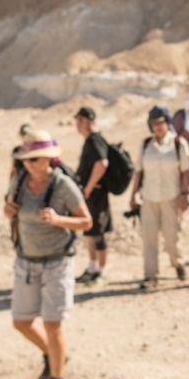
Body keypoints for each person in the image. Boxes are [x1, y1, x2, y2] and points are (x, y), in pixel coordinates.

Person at [3, 130, 91, 379]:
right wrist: (8, 212)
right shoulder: (20, 181)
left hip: (57, 262)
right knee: (22, 322)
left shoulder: (63, 185)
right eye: (26, 159)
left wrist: (58, 219)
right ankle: (53, 355)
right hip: (26, 261)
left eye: (34, 159)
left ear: (47, 159)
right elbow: (11, 210)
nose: (28, 164)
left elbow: (86, 221)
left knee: (53, 324)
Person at [128, 105, 189, 289]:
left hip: (171, 197)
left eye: (160, 123)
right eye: (154, 123)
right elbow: (139, 172)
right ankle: (150, 275)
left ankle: (178, 263)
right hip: (149, 197)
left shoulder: (178, 144)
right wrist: (133, 195)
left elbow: (185, 172)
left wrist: (184, 195)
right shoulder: (146, 145)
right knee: (149, 238)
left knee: (171, 237)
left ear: (167, 123)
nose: (157, 127)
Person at [73, 106, 112, 286]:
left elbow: (102, 163)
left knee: (98, 234)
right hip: (90, 195)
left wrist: (88, 187)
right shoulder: (90, 140)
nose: (77, 125)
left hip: (96, 195)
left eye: (79, 120)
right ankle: (92, 268)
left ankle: (102, 271)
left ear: (87, 121)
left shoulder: (95, 140)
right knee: (90, 232)